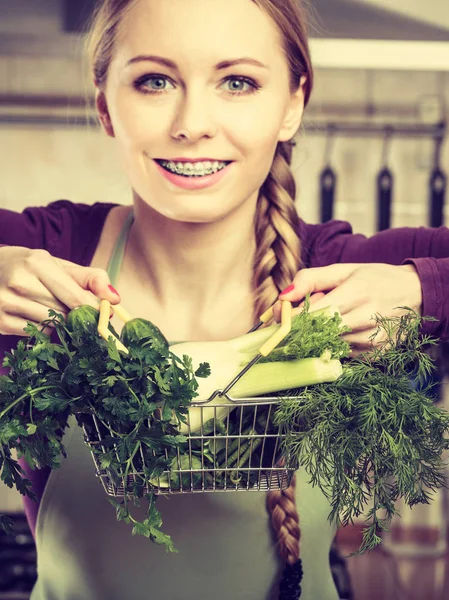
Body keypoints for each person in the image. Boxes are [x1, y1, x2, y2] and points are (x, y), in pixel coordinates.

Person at [0, 0, 448, 598]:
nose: (192, 123)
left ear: (292, 103)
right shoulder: (45, 256)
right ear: (105, 103)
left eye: (237, 82)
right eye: (155, 81)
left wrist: (424, 287)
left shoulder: (342, 272)